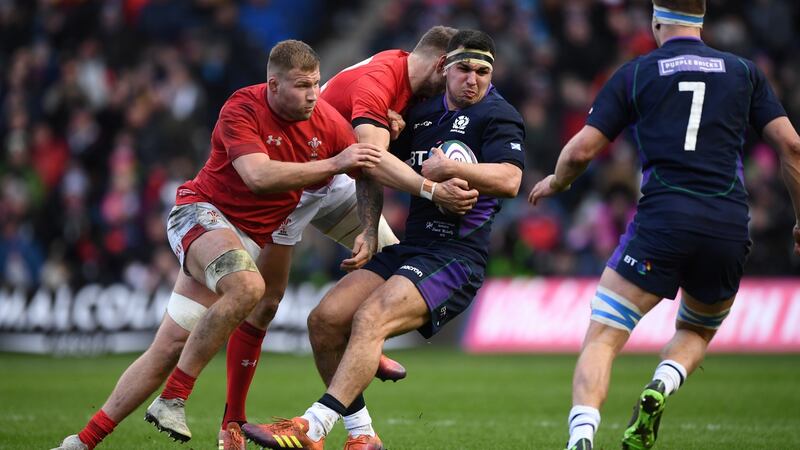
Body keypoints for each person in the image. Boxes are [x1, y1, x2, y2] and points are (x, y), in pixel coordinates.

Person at [51, 39, 476, 450]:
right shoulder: (242, 106)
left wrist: (378, 216)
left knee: (170, 345)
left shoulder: (328, 121)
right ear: (274, 85)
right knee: (250, 289)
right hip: (202, 215)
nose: (313, 95)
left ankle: (81, 441)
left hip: (249, 236)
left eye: (316, 83)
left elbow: (368, 166)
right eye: (302, 86)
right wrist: (340, 163)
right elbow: (258, 176)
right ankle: (178, 398)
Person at [527, 2, 800, 449]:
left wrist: (558, 181)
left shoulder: (636, 72)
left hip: (663, 222)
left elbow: (580, 152)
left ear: (656, 22)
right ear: (702, 22)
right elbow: (791, 146)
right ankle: (662, 383)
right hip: (727, 224)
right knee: (696, 330)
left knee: (603, 337)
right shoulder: (743, 71)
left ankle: (582, 437)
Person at [242, 29, 526, 450]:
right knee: (324, 321)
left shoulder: (498, 115)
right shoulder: (421, 113)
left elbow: (510, 179)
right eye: (464, 69)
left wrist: (452, 170)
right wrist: (370, 227)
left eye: (482, 72)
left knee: (370, 317)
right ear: (445, 67)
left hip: (456, 258)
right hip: (411, 248)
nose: (473, 80)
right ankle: (362, 435)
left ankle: (311, 428)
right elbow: (372, 164)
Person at [216, 25, 459, 450]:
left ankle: (363, 406)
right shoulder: (378, 80)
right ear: (441, 64)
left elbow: (371, 155)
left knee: (395, 267)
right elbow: (371, 160)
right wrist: (431, 190)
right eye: (455, 73)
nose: (456, 86)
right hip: (300, 181)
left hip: (339, 179)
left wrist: (369, 224)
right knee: (266, 303)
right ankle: (232, 421)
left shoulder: (407, 74)